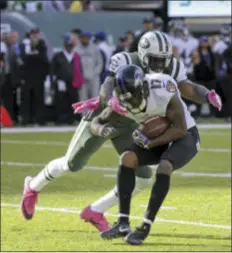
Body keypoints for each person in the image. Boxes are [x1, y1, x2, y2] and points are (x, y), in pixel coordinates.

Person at [21, 31, 222, 233]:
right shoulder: (124, 60)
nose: (160, 65)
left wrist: (207, 95)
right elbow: (108, 84)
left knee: (143, 177)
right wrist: (108, 101)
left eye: (163, 60)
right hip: (109, 114)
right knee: (72, 164)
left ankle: (96, 210)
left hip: (135, 121)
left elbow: (187, 88)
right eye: (155, 60)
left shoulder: (172, 66)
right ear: (143, 54)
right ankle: (33, 186)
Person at [95, 64, 199, 245]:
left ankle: (145, 226)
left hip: (185, 134)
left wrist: (151, 143)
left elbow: (180, 129)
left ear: (143, 87)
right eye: (127, 100)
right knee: (127, 158)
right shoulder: (120, 102)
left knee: (165, 166)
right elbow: (96, 121)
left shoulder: (162, 87)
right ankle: (123, 222)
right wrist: (101, 129)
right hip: (158, 137)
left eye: (134, 97)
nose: (132, 104)